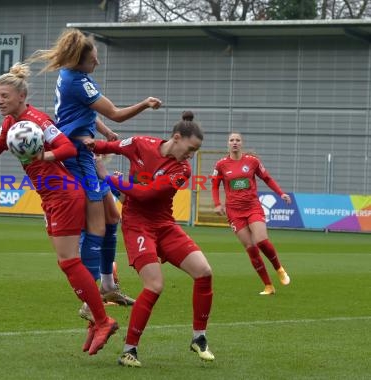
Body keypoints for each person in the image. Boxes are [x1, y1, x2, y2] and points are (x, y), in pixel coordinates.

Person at [0, 63, 118, 355]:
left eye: (4, 95)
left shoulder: (38, 121)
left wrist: (45, 153)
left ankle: (102, 319)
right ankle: (97, 318)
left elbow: (68, 148)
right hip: (51, 198)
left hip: (65, 195)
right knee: (69, 262)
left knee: (70, 262)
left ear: (21, 96)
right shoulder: (10, 125)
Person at [28, 28, 162, 317]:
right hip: (77, 157)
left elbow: (83, 112)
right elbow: (115, 111)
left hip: (84, 152)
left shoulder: (73, 76)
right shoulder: (77, 81)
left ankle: (107, 285)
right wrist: (145, 104)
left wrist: (103, 130)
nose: (97, 64)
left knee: (113, 218)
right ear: (79, 60)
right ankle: (91, 302)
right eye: (93, 60)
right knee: (97, 227)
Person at [84, 111, 215, 367]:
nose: (191, 156)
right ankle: (129, 350)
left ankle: (199, 337)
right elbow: (108, 145)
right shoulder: (140, 144)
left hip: (164, 225)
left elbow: (146, 194)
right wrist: (89, 145)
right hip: (137, 226)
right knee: (154, 286)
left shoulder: (182, 170)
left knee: (204, 272)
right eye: (191, 148)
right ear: (176, 138)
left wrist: (108, 178)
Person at [211, 132, 291, 295]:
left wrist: (280, 193)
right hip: (234, 211)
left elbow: (267, 178)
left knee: (261, 241)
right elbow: (214, 185)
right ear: (228, 143)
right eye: (232, 140)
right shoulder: (221, 165)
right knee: (251, 248)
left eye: (237, 140)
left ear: (242, 143)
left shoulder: (252, 161)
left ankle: (279, 268)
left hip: (253, 207)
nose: (234, 143)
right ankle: (268, 286)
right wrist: (218, 204)